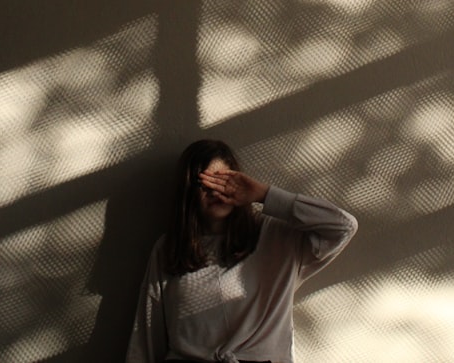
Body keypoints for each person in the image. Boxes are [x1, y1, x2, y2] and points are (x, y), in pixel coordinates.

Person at [126, 139, 358, 363]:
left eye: (223, 181)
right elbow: (146, 335)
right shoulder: (169, 248)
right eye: (202, 183)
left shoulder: (278, 237)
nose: (214, 191)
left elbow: (343, 226)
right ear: (188, 191)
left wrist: (264, 195)